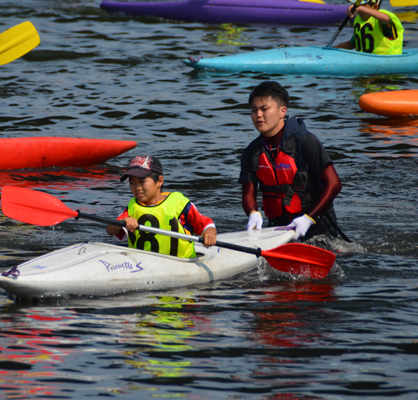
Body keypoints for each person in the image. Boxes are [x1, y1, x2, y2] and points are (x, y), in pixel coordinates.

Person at [239, 81, 342, 241]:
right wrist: (252, 213)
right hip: (277, 229)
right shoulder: (251, 152)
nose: (258, 115)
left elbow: (334, 183)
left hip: (317, 227)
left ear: (282, 111)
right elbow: (248, 194)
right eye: (254, 110)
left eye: (264, 109)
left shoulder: (306, 141)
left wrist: (308, 218)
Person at [106, 155, 217, 258]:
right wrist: (124, 222)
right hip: (142, 264)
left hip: (182, 263)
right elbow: (110, 230)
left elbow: (206, 224)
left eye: (142, 181)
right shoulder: (132, 207)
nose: (137, 187)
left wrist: (210, 233)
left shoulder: (180, 204)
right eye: (132, 183)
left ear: (159, 181)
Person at [334, 0, 403, 55]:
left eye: (363, 5)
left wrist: (360, 8)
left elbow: (386, 19)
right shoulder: (359, 20)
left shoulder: (381, 19)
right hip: (366, 61)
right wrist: (332, 50)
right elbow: (352, 44)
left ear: (375, 7)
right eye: (357, 5)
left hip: (387, 60)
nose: (358, 8)